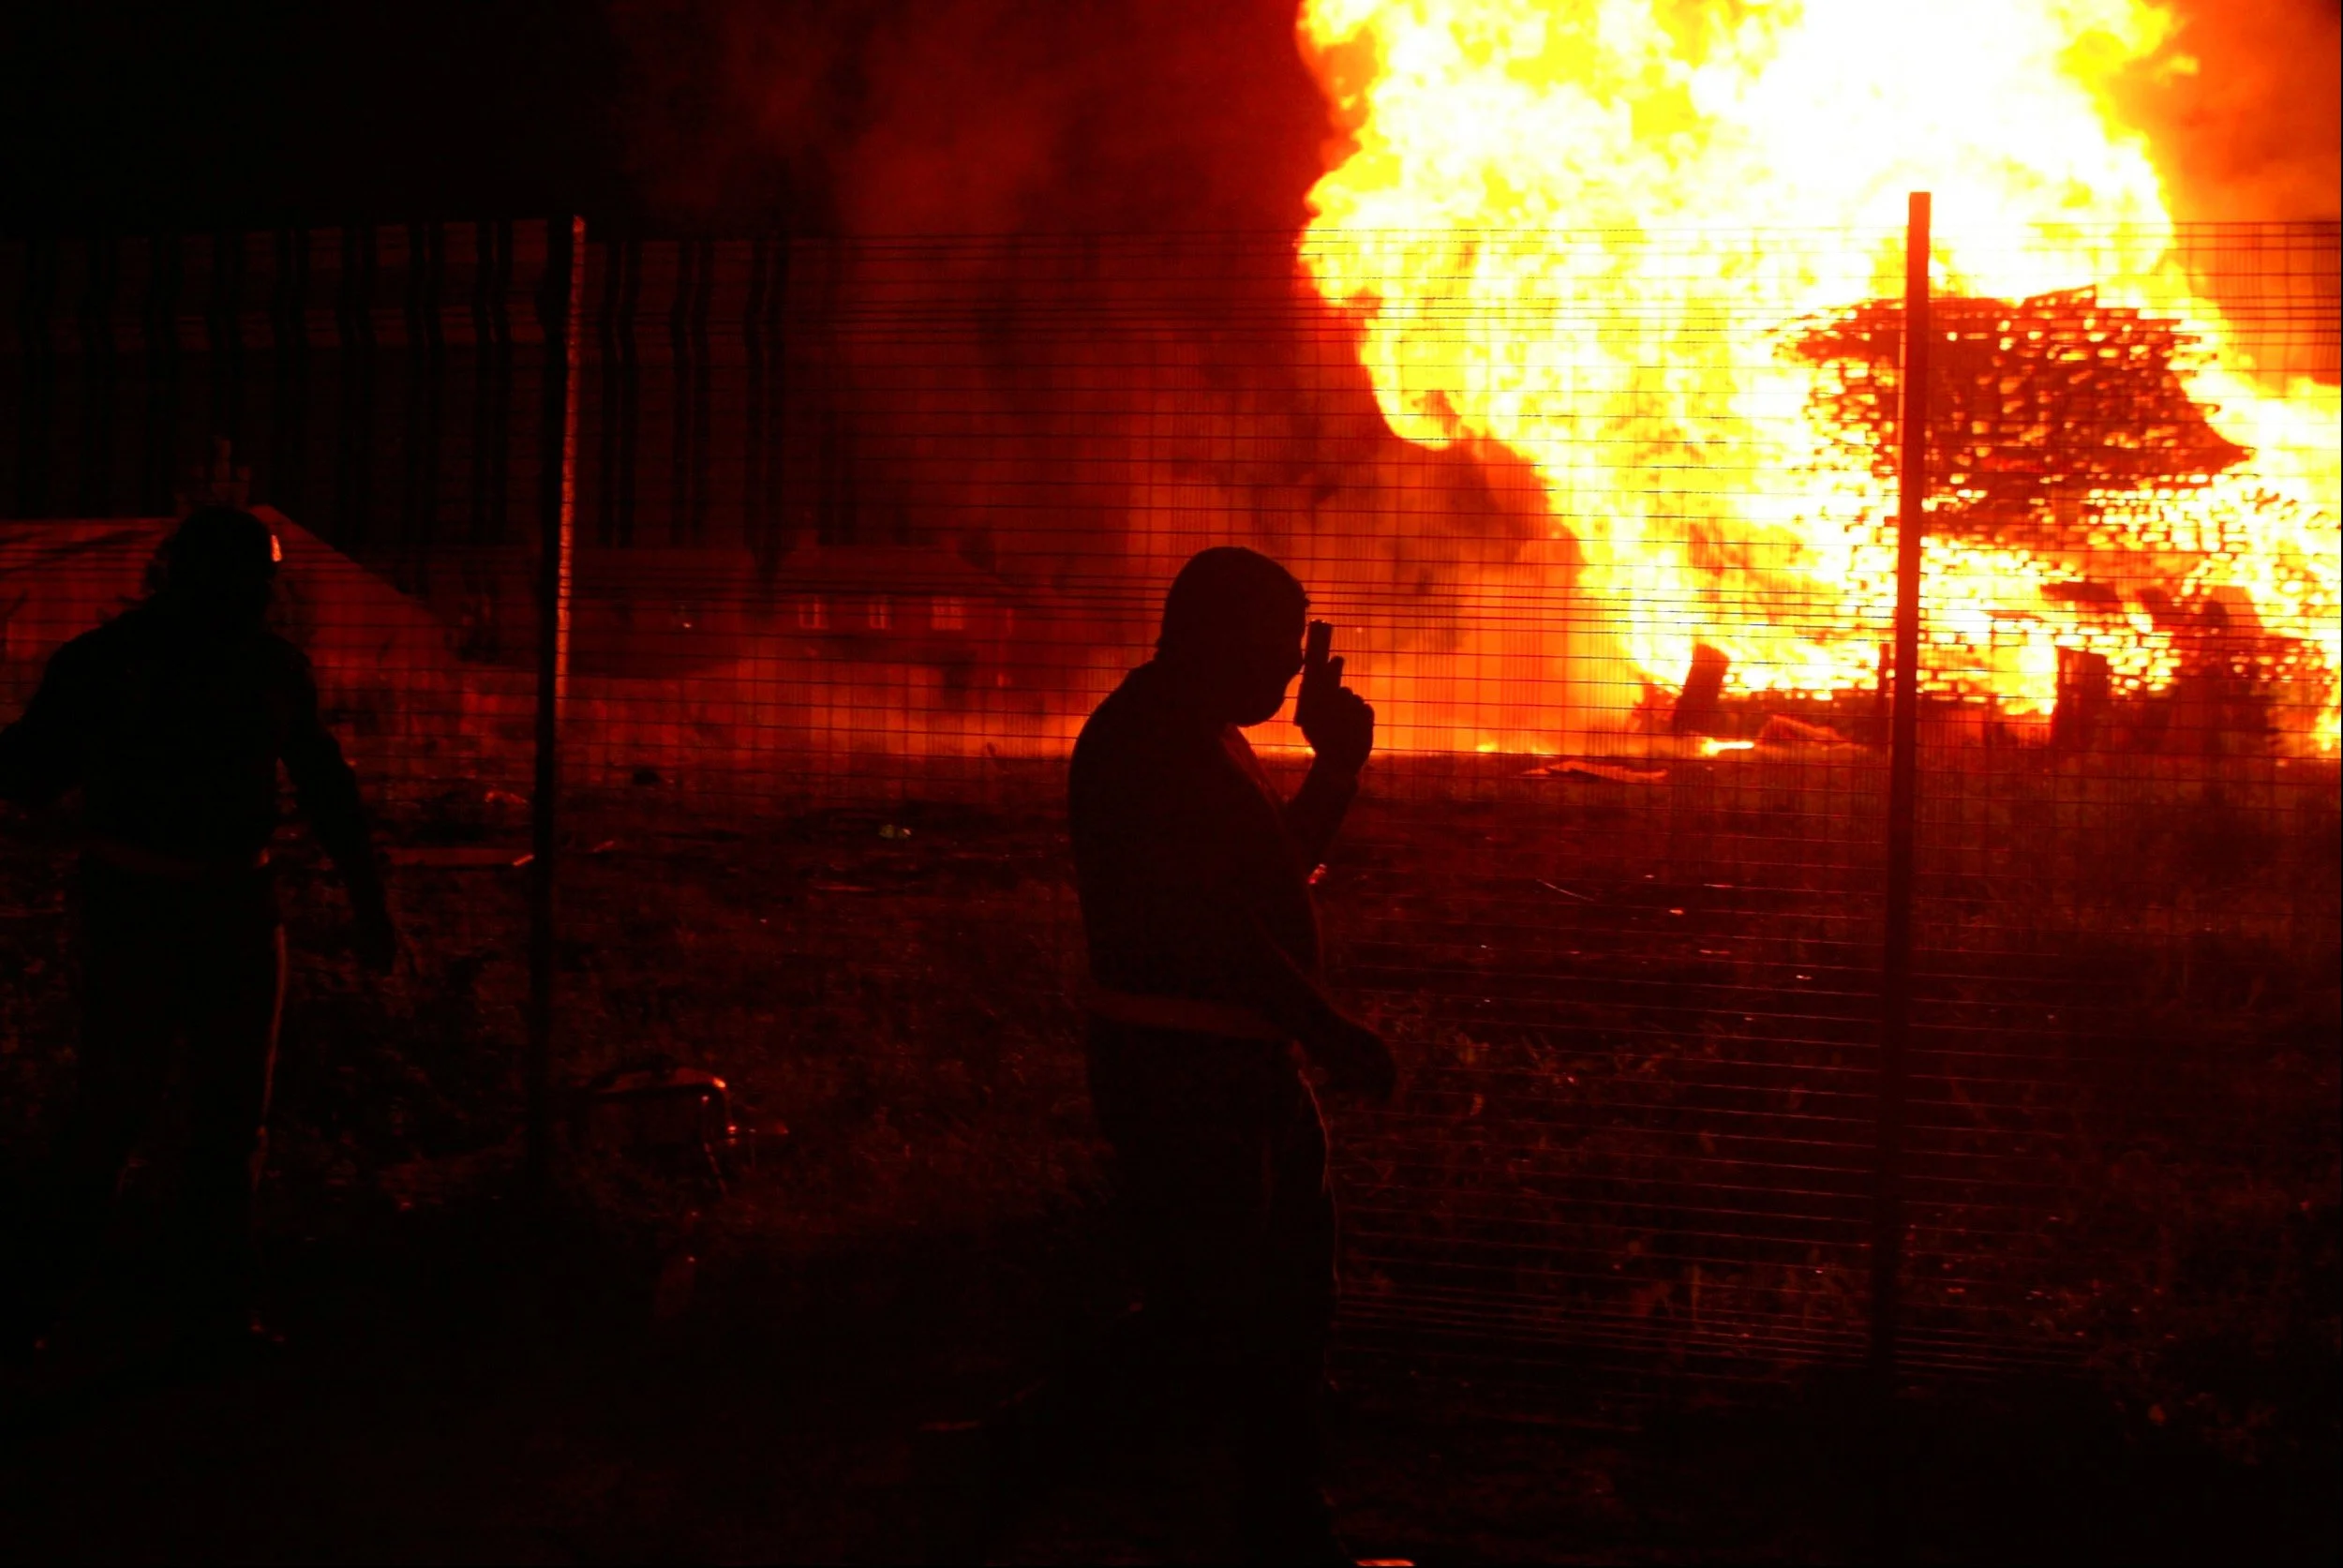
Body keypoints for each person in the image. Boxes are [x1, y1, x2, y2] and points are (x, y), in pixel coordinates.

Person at [0, 507, 396, 1360]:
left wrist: (371, 902)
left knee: (128, 1110)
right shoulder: (259, 667)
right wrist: (369, 904)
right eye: (251, 582)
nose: (254, 596)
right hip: (222, 905)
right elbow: (325, 785)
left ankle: (45, 1306)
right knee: (212, 1116)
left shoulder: (113, 660)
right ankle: (198, 1312)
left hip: (156, 901)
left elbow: (30, 774)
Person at [1068, 546, 1396, 1563]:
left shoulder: (1202, 734)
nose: (1293, 668)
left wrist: (1335, 769)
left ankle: (1285, 1524)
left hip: (1242, 1068)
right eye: (1279, 645)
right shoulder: (1149, 745)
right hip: (1185, 1074)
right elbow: (1214, 930)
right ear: (1214, 634)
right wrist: (1329, 1030)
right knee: (1205, 1317)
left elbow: (1271, 878)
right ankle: (1001, 1463)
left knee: (1286, 1308)